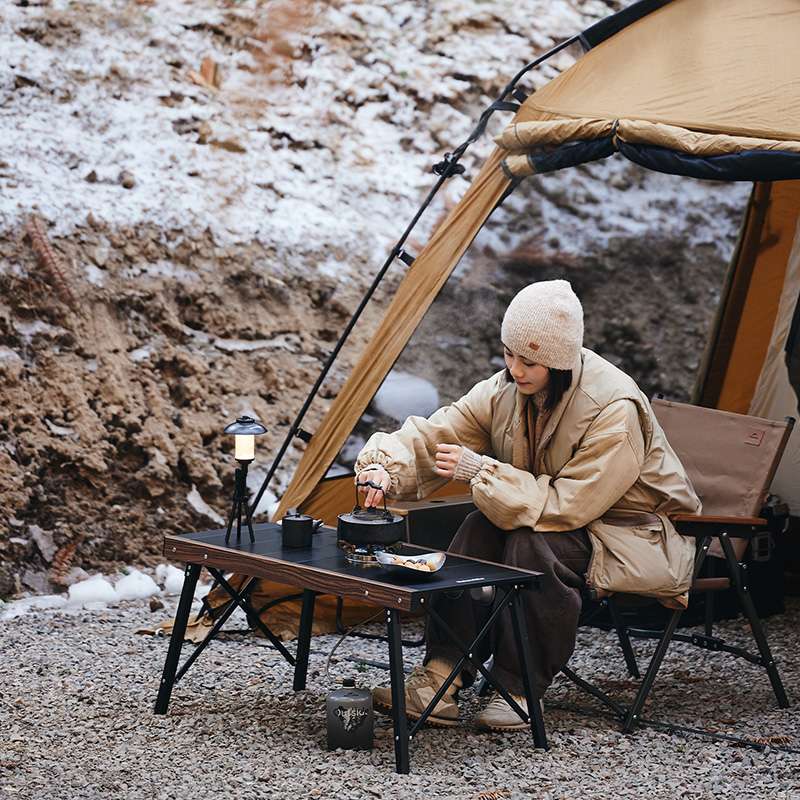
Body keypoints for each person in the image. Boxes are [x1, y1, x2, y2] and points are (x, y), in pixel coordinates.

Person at [353, 279, 701, 731]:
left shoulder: (613, 407)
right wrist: (385, 468)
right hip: (549, 517)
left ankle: (517, 688)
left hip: (631, 533)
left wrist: (481, 472)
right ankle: (441, 677)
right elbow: (438, 433)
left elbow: (569, 506)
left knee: (530, 546)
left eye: (529, 360)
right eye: (508, 354)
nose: (514, 369)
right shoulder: (507, 390)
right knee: (478, 528)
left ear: (558, 361)